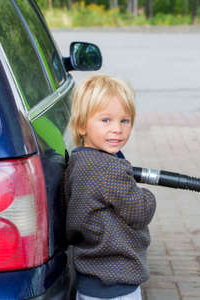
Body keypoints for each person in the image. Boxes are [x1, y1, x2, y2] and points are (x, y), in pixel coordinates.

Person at [65, 74, 156, 300]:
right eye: (106, 120)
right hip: (116, 284)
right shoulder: (108, 170)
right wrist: (148, 195)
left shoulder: (79, 160)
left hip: (90, 279)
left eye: (124, 121)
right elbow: (140, 211)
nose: (117, 129)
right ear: (81, 125)